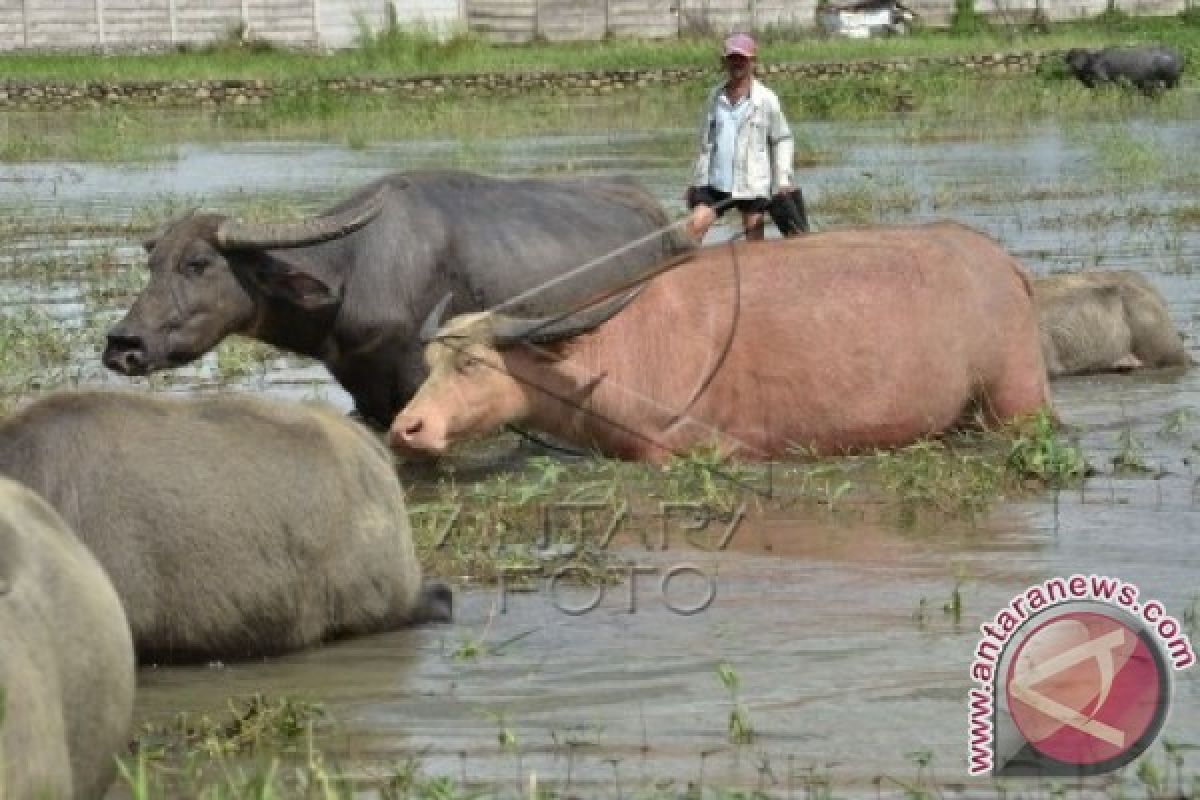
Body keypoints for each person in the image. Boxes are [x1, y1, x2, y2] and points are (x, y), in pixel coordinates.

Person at [685, 32, 796, 244]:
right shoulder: (715, 97)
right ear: (724, 62)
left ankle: (755, 277)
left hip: (751, 182)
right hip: (716, 183)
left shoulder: (765, 99)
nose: (737, 63)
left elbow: (782, 139)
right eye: (732, 58)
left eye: (742, 58)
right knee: (694, 227)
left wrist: (783, 179)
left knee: (754, 239)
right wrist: (695, 182)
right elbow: (704, 142)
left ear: (753, 61)